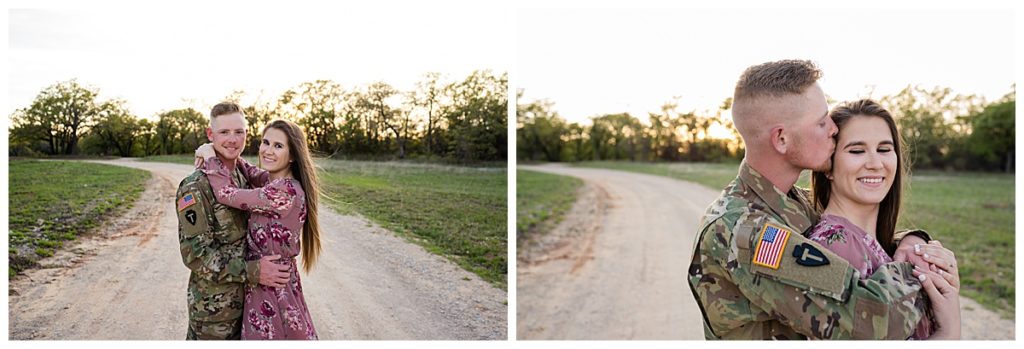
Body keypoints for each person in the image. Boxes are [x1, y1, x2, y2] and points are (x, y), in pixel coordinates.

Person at [687, 59, 943, 339]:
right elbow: (872, 319)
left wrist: (911, 241)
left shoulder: (791, 201)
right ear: (781, 139)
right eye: (821, 122)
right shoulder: (746, 231)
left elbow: (856, 232)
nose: (834, 128)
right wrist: (920, 269)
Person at [808, 99, 961, 339]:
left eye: (884, 149)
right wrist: (949, 331)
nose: (875, 164)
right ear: (828, 166)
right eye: (857, 151)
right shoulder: (836, 247)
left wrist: (914, 243)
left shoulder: (873, 242)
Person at [195, 119, 322, 340]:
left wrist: (211, 158)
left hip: (272, 287)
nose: (268, 151)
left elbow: (225, 193)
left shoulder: (284, 192)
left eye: (278, 146)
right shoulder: (274, 183)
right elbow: (253, 172)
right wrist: (227, 151)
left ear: (292, 156)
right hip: (266, 281)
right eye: (265, 142)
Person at [177, 102, 291, 340]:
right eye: (224, 132)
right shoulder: (194, 187)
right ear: (210, 135)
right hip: (215, 314)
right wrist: (254, 271)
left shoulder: (243, 175)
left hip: (250, 306)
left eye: (239, 132)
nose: (232, 139)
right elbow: (196, 255)